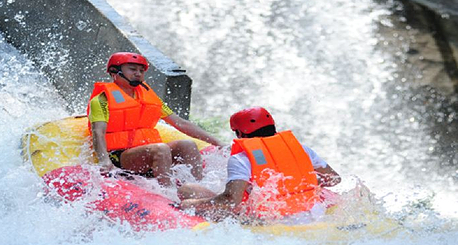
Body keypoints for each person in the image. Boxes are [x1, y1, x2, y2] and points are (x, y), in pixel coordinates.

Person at [177, 107, 341, 222]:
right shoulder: (302, 149)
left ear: (240, 133)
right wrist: (299, 183)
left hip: (271, 222)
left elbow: (231, 201)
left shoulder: (242, 158)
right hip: (313, 214)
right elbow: (334, 179)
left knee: (188, 191)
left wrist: (191, 204)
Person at [88, 52, 225, 186]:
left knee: (188, 145)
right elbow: (98, 132)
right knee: (161, 149)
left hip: (148, 152)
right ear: (114, 71)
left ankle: (198, 187)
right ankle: (168, 192)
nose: (138, 73)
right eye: (132, 69)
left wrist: (218, 143)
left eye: (141, 70)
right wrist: (104, 161)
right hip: (120, 156)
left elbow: (181, 123)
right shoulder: (101, 100)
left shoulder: (149, 98)